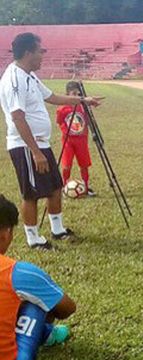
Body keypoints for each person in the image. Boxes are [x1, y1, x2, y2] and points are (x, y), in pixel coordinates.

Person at [0, 33, 102, 249]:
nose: (42, 56)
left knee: (56, 187)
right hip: (26, 146)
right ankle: (33, 238)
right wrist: (35, 152)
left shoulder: (29, 75)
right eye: (40, 51)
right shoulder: (13, 79)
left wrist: (83, 100)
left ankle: (57, 230)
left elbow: (52, 97)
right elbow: (18, 117)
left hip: (41, 144)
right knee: (31, 193)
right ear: (28, 53)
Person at [0, 195, 76, 360]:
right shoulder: (17, 272)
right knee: (36, 302)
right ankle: (47, 334)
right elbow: (67, 308)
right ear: (6, 233)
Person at [56, 81, 95, 197]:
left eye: (78, 94)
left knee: (84, 164)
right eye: (73, 93)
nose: (76, 96)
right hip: (68, 141)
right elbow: (59, 122)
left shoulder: (82, 107)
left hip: (82, 140)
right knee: (67, 164)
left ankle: (86, 186)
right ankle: (64, 185)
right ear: (67, 94)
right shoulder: (63, 109)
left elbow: (87, 121)